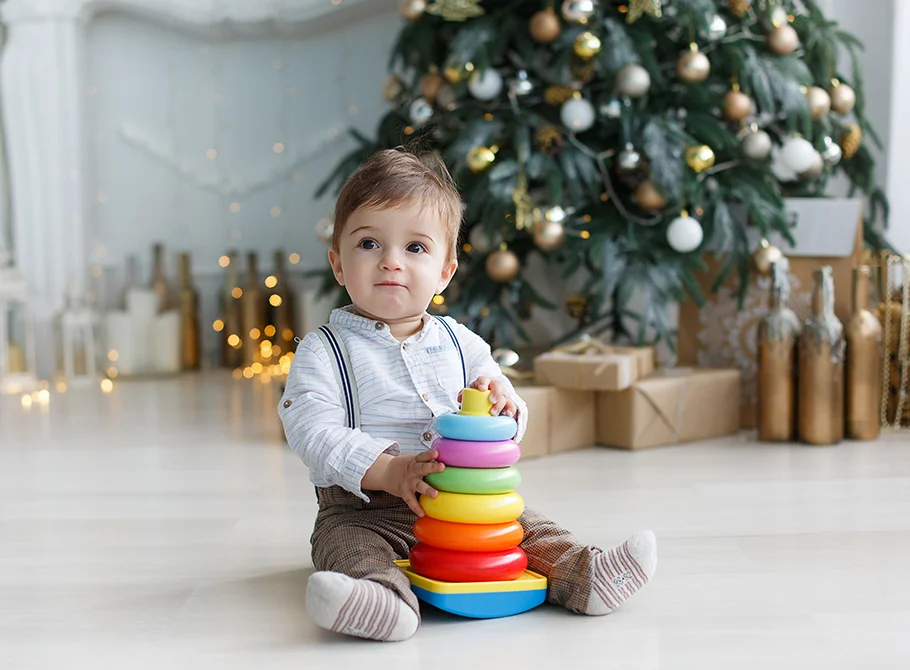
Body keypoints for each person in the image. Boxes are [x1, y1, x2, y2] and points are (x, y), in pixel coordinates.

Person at [278, 147, 657, 642]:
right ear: (338, 263)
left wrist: (502, 400)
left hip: (466, 503)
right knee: (345, 546)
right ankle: (382, 601)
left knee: (527, 529)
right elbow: (310, 428)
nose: (391, 262)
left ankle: (586, 576)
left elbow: (509, 414)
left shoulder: (462, 343)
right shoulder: (323, 351)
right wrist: (389, 470)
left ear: (444, 272)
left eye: (415, 248)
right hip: (364, 507)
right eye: (369, 243)